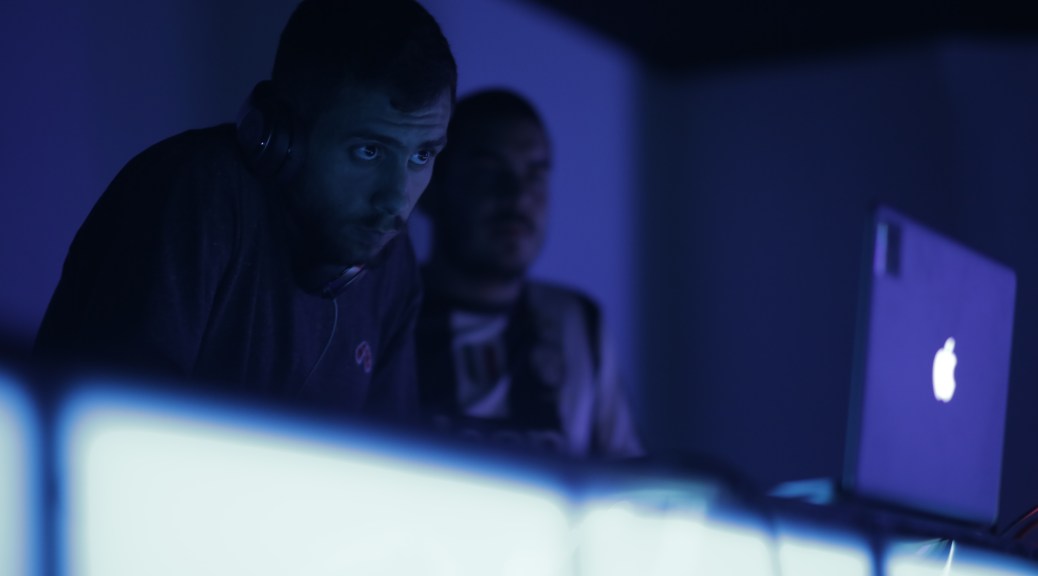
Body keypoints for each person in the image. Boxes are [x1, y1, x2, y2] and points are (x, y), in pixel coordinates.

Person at [34, 0, 456, 420]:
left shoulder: (391, 260)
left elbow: (387, 451)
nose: (396, 200)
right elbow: (122, 430)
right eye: (369, 151)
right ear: (281, 139)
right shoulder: (195, 191)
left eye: (421, 156)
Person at [416, 89, 644, 457]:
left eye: (535, 175)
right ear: (429, 188)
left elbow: (627, 476)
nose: (518, 196)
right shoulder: (381, 314)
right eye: (488, 172)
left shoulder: (577, 322)